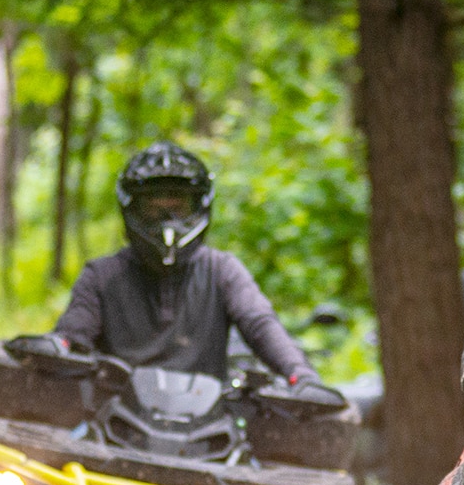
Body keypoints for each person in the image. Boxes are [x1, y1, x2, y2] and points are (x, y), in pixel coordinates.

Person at [45, 143, 321, 384]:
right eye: (153, 209)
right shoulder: (103, 276)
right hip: (112, 422)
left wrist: (300, 375)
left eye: (178, 209)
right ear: (132, 209)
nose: (168, 222)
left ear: (199, 207)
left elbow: (260, 324)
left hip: (211, 423)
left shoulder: (221, 270)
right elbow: (73, 335)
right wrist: (55, 349)